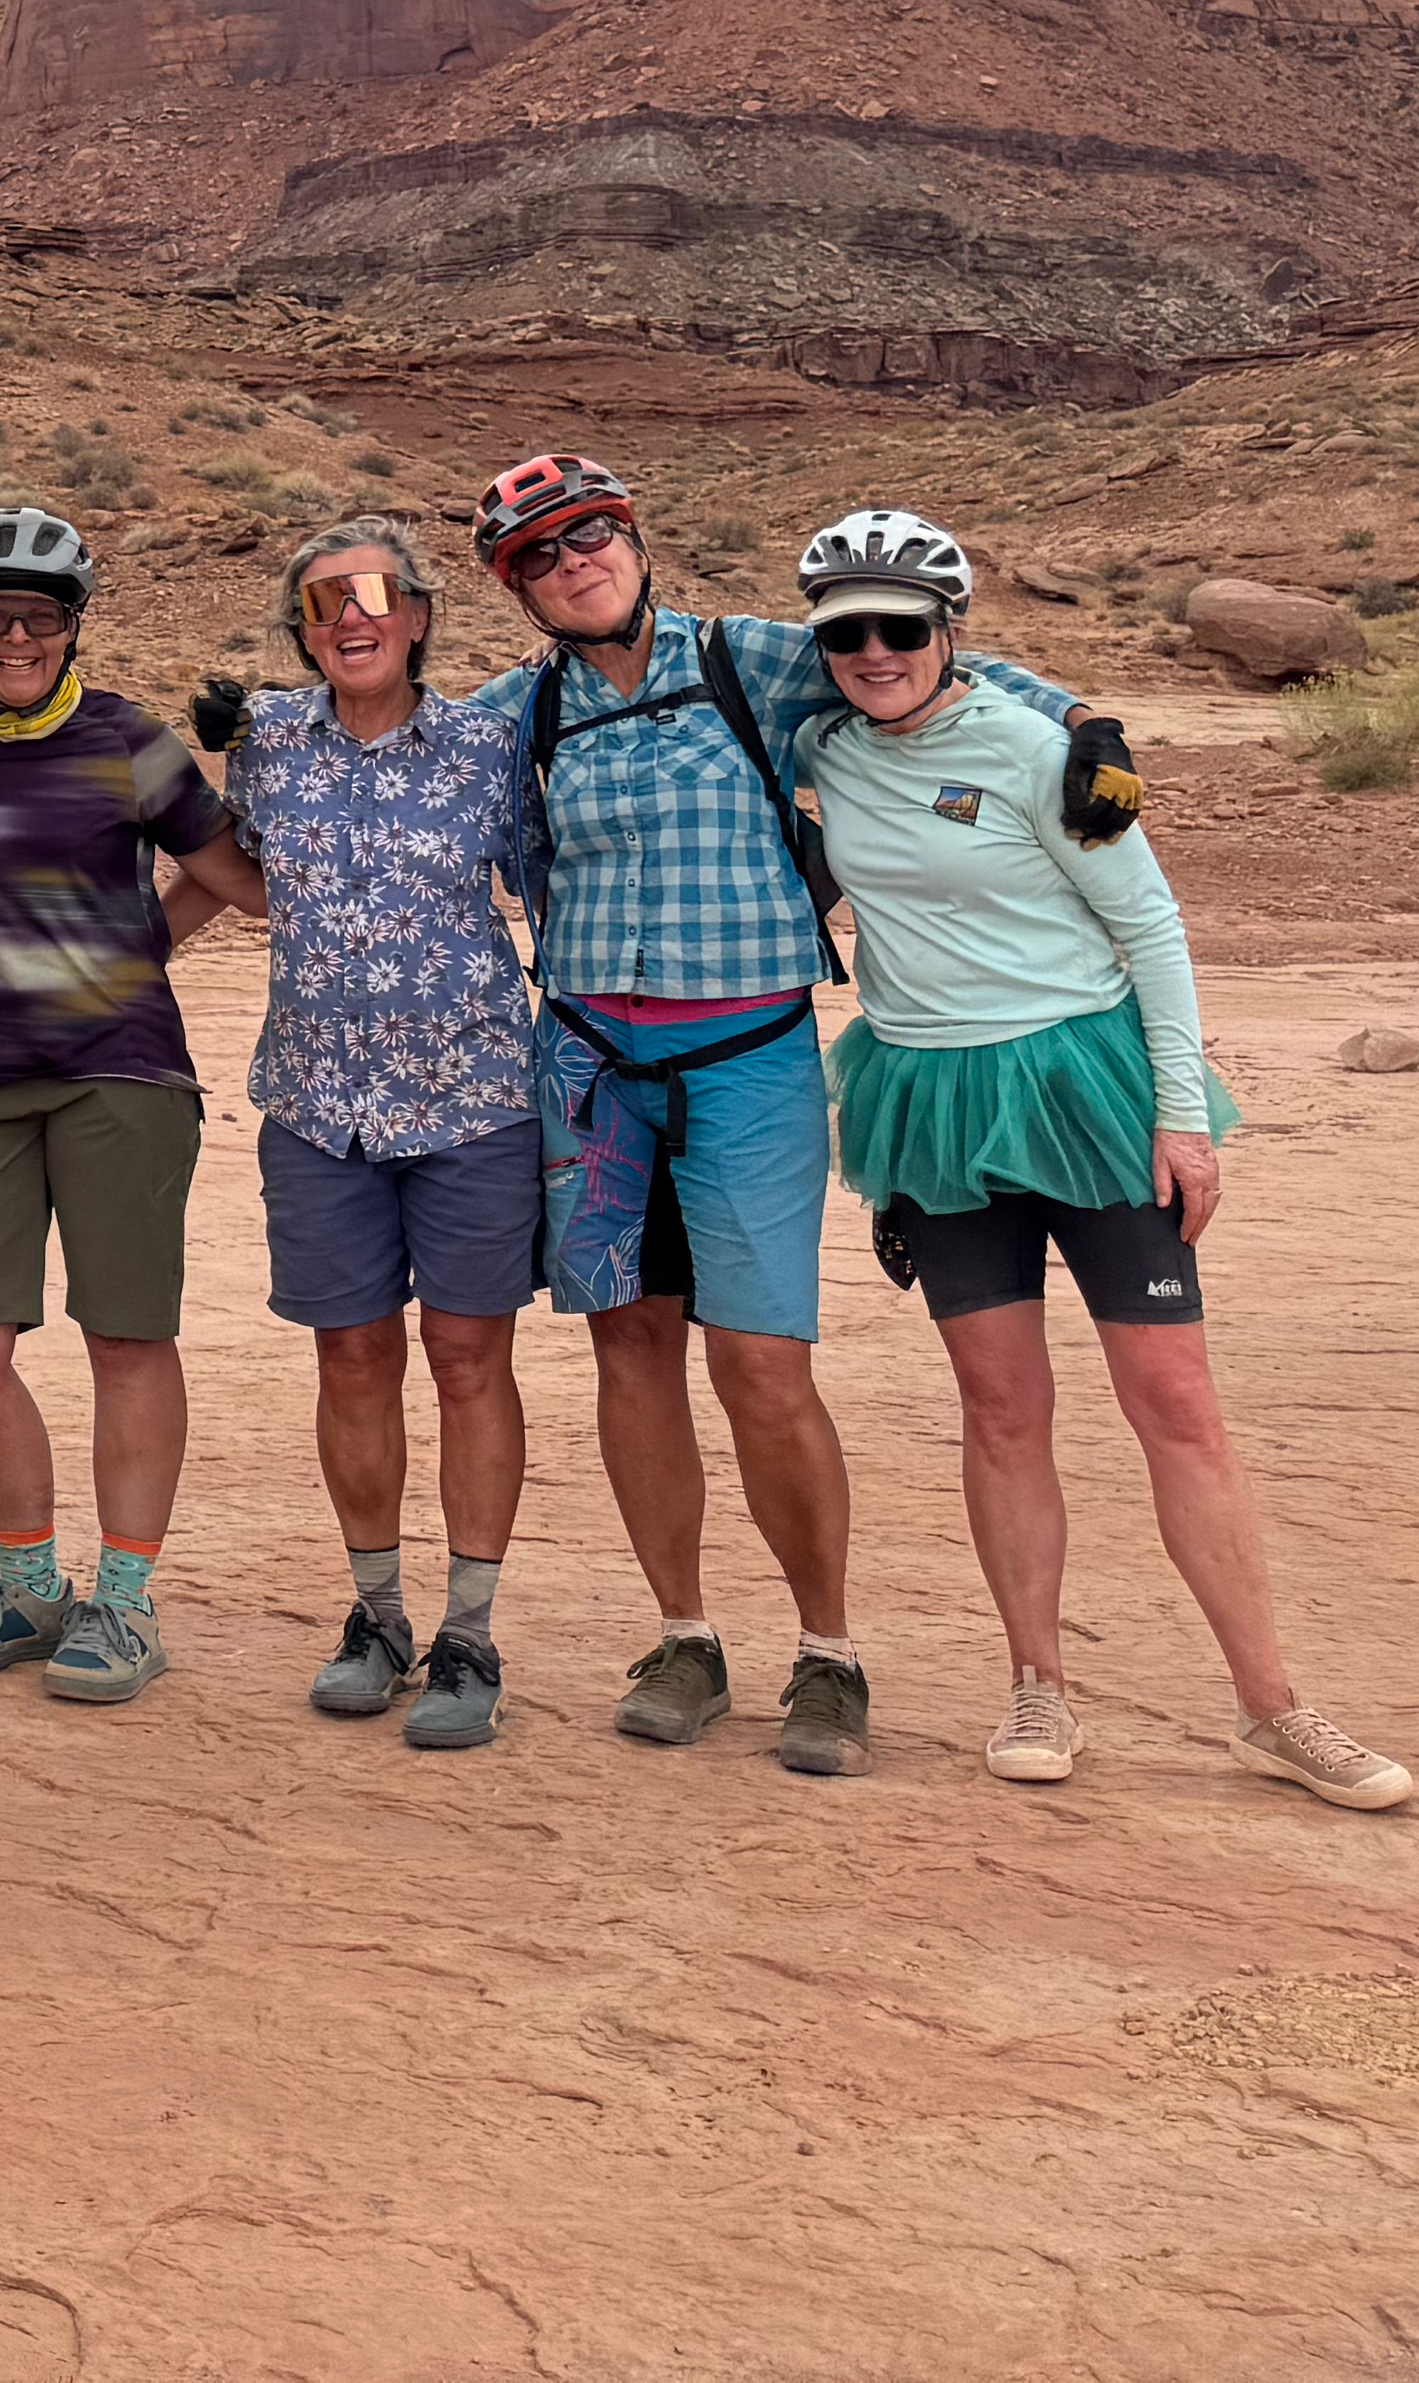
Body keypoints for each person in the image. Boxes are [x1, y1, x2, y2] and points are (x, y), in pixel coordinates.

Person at [472, 449, 1120, 1781]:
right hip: (588, 1071)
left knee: (762, 1363)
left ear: (636, 538)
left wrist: (1086, 725)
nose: (575, 560)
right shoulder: (515, 716)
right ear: (518, 588)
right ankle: (684, 1636)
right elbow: (395, 757)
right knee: (629, 1351)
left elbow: (931, 674)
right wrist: (262, 735)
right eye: (540, 553)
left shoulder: (753, 662)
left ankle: (828, 1653)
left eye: (592, 532)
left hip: (752, 1058)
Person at [790, 508, 1411, 1812]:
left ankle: (1275, 1707)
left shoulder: (1036, 754)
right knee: (1004, 1412)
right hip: (932, 1101)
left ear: (946, 631)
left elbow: (1158, 936)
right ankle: (1037, 1685)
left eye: (901, 627)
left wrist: (1182, 1119)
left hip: (1086, 1088)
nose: (874, 650)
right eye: (847, 631)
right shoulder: (821, 753)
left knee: (1175, 1406)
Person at [0, 504, 264, 1712]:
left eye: (38, 617)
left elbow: (238, 886)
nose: (14, 636)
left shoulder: (130, 741)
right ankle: (31, 1584)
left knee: (125, 1334)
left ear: (72, 626)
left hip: (122, 1071)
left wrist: (138, 943)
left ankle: (128, 1601)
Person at [188, 521, 541, 1753]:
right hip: (317, 1103)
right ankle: (380, 1616)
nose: (352, 616)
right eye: (324, 601)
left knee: (466, 1358)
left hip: (476, 1100)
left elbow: (557, 889)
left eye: (375, 595)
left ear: (420, 617)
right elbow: (231, 871)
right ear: (304, 628)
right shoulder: (270, 745)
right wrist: (103, 959)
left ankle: (472, 1633)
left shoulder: (491, 749)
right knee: (350, 1359)